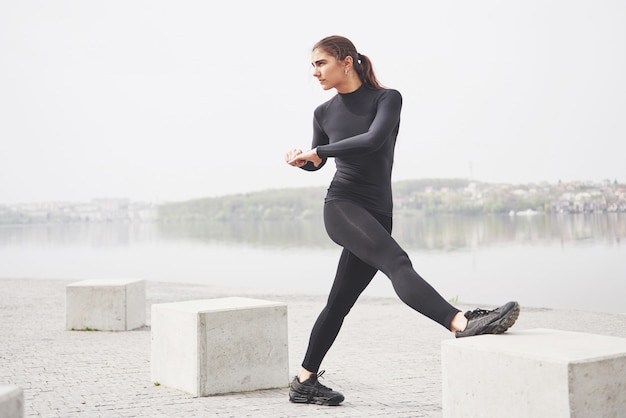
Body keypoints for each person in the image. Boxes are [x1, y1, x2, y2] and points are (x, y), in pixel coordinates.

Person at [284, 35, 519, 406]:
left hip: (378, 211)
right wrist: (305, 159)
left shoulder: (386, 99)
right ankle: (461, 322)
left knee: (339, 303)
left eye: (320, 63)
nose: (315, 72)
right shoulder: (323, 113)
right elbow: (319, 163)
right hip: (342, 206)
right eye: (312, 65)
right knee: (397, 263)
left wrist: (319, 151)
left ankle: (303, 380)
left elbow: (373, 140)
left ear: (347, 61)